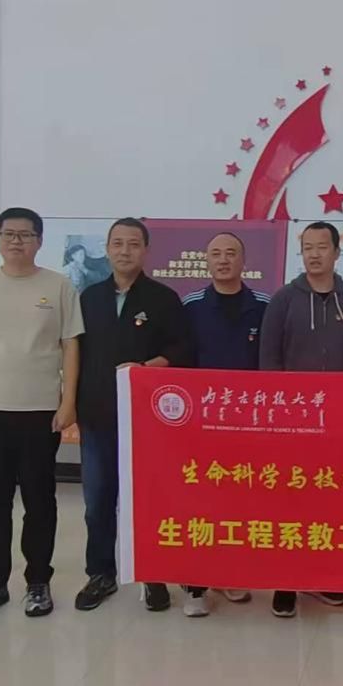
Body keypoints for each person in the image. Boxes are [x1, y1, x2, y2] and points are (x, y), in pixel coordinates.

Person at [0, 207, 83, 623]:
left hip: (40, 409)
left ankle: (38, 581)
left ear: (39, 240)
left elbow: (70, 346)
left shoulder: (58, 286)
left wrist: (68, 401)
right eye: (8, 234)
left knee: (40, 501)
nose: (16, 241)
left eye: (25, 234)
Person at [76, 217, 192, 613]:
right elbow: (74, 353)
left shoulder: (163, 298)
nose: (124, 251)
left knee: (149, 500)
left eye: (133, 244)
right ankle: (100, 573)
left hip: (147, 422)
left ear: (146, 251)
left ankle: (152, 574)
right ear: (107, 249)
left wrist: (145, 369)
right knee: (98, 501)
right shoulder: (88, 298)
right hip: (97, 415)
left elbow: (181, 350)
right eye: (117, 243)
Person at [260, 221, 343, 619]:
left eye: (322, 247)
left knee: (331, 502)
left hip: (340, 423)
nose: (314, 254)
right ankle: (285, 582)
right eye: (308, 248)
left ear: (337, 252)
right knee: (289, 502)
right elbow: (269, 360)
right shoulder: (283, 299)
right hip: (293, 421)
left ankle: (322, 576)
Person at [180, 230, 272, 615]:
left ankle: (230, 573)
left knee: (239, 503)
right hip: (202, 426)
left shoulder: (264, 306)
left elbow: (271, 365)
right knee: (200, 503)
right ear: (206, 260)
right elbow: (181, 363)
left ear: (243, 260)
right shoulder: (191, 306)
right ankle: (195, 585)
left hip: (248, 425)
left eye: (230, 253)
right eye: (215, 253)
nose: (223, 260)